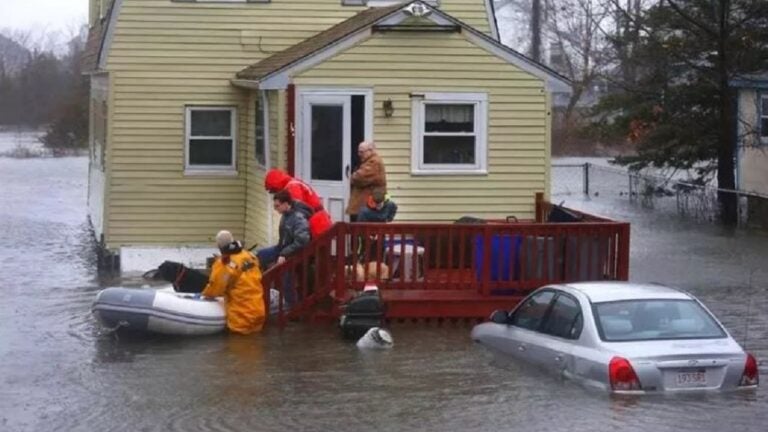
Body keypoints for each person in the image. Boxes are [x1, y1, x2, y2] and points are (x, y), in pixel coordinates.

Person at [201, 230, 265, 334]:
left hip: (241, 315)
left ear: (219, 246)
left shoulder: (223, 264)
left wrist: (205, 294)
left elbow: (216, 288)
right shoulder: (249, 256)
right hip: (258, 311)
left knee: (238, 346)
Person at [256, 191, 311, 305]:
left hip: (296, 253)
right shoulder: (286, 215)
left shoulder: (298, 218)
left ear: (286, 204)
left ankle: (292, 307)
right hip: (283, 249)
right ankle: (256, 286)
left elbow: (302, 241)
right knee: (260, 255)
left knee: (286, 276)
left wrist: (284, 254)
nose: (276, 209)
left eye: (277, 206)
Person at [264, 168, 333, 238]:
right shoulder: (294, 183)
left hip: (316, 224)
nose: (275, 193)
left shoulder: (292, 188)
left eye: (273, 190)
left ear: (276, 185)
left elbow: (299, 211)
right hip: (318, 220)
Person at [346, 141, 387, 222]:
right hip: (367, 207)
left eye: (361, 152)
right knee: (362, 231)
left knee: (365, 231)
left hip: (369, 207)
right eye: (358, 152)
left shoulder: (374, 162)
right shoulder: (369, 161)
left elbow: (359, 177)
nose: (359, 154)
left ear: (371, 150)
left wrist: (353, 176)